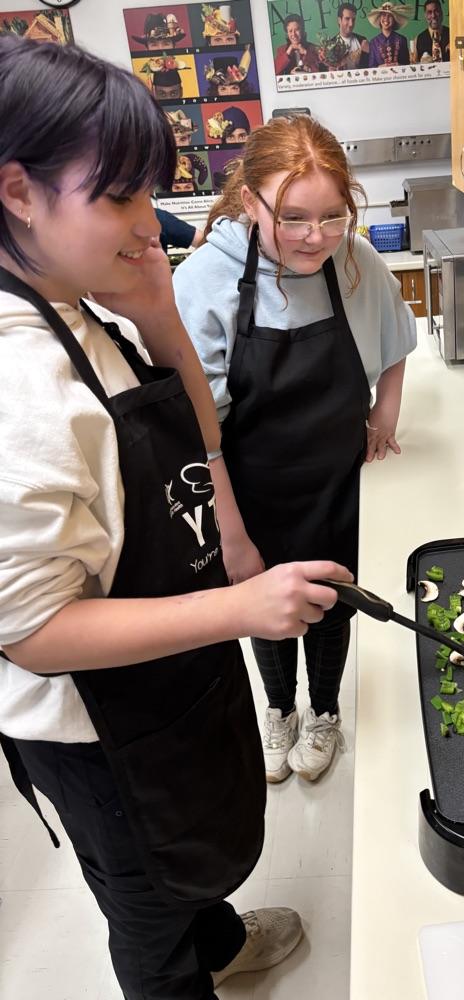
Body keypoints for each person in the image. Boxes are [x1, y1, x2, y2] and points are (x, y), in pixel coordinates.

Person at [0, 36, 352, 1000]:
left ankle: (224, 942)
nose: (146, 220)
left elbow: (195, 447)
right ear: (18, 190)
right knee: (148, 915)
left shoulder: (75, 305)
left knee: (190, 862)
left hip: (166, 667)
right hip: (97, 729)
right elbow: (31, 633)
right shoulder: (15, 380)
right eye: (117, 196)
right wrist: (242, 611)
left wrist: (158, 317)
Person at [172, 115, 416, 784]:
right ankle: (276, 710)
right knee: (264, 609)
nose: (316, 237)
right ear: (249, 202)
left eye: (332, 215)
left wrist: (384, 411)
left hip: (335, 480)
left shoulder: (354, 260)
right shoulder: (204, 282)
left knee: (332, 599)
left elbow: (395, 337)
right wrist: (230, 535)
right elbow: (199, 428)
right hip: (248, 490)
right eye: (293, 218)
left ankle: (325, 712)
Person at [367, 2, 412, 67]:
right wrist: (380, 67)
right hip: (379, 77)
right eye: (383, 15)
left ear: (394, 19)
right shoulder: (374, 42)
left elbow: (407, 64)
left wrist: (399, 65)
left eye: (390, 15)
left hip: (399, 76)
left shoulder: (402, 39)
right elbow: (371, 66)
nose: (386, 18)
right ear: (379, 18)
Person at [335, 2, 369, 69]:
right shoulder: (330, 45)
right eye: (347, 19)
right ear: (339, 20)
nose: (351, 24)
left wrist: (371, 51)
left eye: (353, 20)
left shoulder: (362, 40)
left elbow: (371, 67)